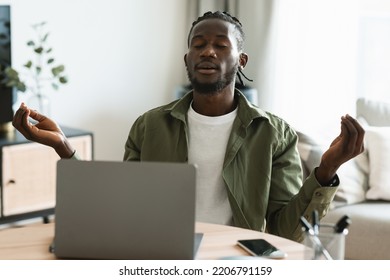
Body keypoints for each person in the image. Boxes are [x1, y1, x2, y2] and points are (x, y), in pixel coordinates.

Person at [12, 11, 364, 243]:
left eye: (220, 45)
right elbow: (120, 209)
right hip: (160, 256)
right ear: (187, 59)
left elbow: (288, 232)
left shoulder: (274, 134)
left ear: (240, 61)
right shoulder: (149, 126)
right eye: (198, 45)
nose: (207, 52)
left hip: (236, 259)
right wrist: (64, 148)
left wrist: (327, 170)